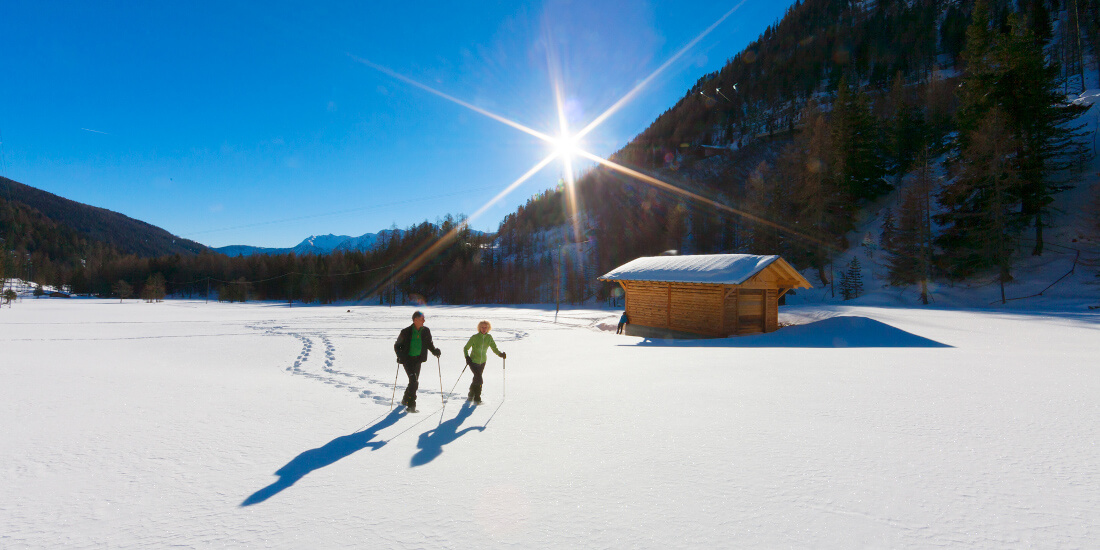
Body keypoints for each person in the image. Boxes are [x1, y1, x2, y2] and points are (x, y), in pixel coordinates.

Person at [393, 311, 441, 413]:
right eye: (422, 319)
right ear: (415, 320)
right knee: (414, 381)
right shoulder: (405, 331)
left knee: (413, 382)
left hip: (418, 360)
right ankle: (411, 406)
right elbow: (397, 345)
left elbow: (429, 344)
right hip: (407, 360)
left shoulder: (426, 331)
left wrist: (435, 351)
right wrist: (400, 355)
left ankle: (405, 399)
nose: (424, 320)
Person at [462, 320, 505, 405]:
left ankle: (470, 395)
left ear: (488, 328)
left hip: (483, 362)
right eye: (482, 327)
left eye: (486, 327)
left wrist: (500, 354)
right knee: (479, 378)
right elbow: (465, 348)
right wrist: (467, 357)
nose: (484, 329)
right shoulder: (474, 337)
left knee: (476, 378)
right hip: (473, 361)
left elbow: (494, 348)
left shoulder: (489, 338)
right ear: (479, 328)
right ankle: (477, 398)